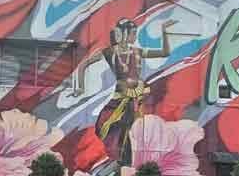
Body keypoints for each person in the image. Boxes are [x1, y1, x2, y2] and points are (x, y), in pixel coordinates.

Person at [74, 18, 175, 166]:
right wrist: (80, 87)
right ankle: (118, 159)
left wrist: (165, 32)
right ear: (124, 33)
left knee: (137, 130)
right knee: (107, 125)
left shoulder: (137, 52)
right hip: (121, 97)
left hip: (139, 97)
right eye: (133, 33)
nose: (135, 37)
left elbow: (164, 52)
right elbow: (84, 65)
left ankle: (132, 161)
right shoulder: (110, 52)